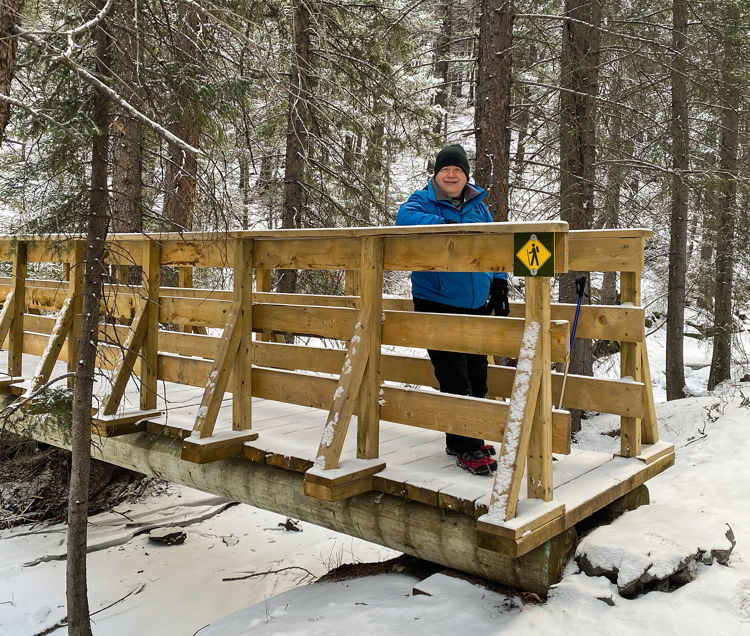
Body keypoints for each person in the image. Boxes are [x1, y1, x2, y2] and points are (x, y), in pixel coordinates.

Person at [395, 144, 510, 475]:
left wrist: (499, 283)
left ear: (465, 176)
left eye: (457, 170)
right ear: (436, 174)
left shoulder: (479, 207)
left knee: (478, 376)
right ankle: (465, 445)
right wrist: (448, 220)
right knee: (455, 377)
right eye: (445, 170)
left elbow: (497, 244)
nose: (451, 175)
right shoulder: (421, 201)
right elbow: (405, 220)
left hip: (476, 303)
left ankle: (466, 438)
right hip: (437, 302)